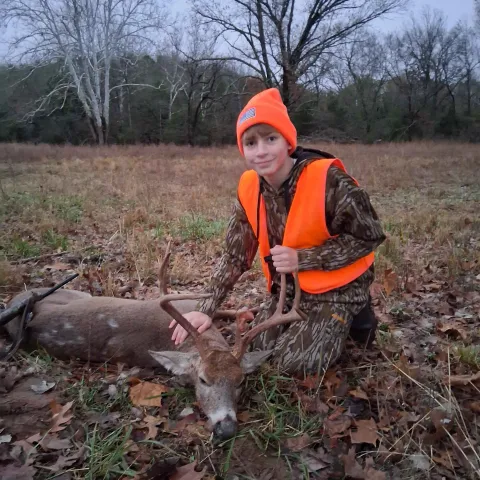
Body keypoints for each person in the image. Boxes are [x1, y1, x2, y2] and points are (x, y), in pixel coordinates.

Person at [169, 88, 386, 375]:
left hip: (337, 290)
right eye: (250, 142)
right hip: (287, 291)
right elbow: (235, 257)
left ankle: (356, 318)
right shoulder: (250, 189)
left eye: (270, 138)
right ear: (242, 149)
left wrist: (304, 259)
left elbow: (370, 236)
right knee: (256, 352)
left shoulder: (328, 180)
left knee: (292, 364)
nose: (260, 151)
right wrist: (206, 307)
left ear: (287, 141)